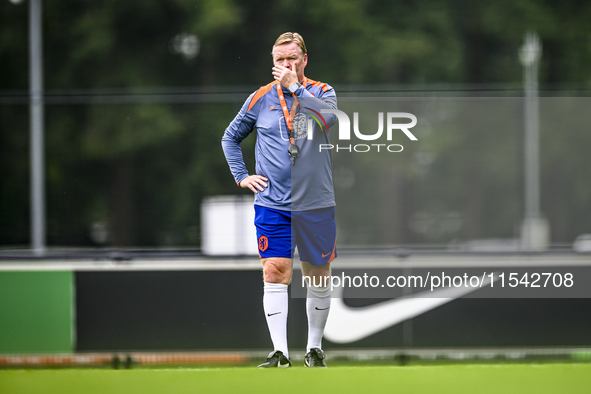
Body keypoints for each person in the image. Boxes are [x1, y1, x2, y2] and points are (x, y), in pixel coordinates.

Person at [221, 32, 338, 368]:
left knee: (317, 274)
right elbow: (231, 137)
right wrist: (242, 176)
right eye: (279, 60)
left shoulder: (321, 91)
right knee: (274, 270)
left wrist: (296, 88)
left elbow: (328, 120)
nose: (285, 65)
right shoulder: (260, 97)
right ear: (273, 62)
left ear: (304, 60)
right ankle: (280, 353)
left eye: (291, 59)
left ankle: (314, 349)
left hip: (315, 202)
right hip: (272, 202)